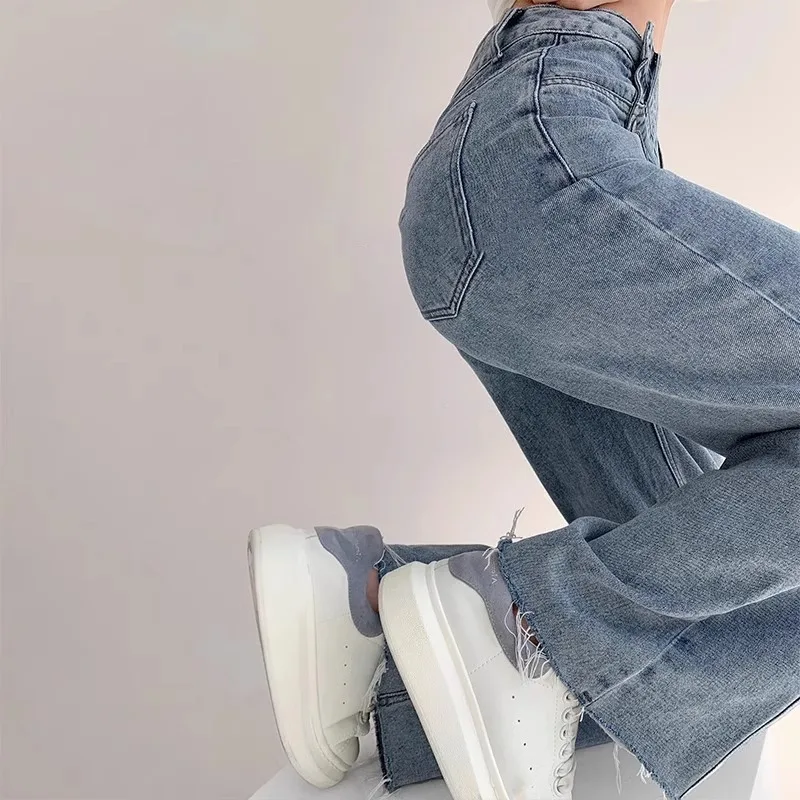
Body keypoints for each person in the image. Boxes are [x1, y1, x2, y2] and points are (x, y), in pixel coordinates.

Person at [248, 2, 800, 799]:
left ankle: (374, 615)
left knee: (735, 605)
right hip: (548, 145)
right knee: (643, 609)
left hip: (545, 149)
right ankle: (525, 621)